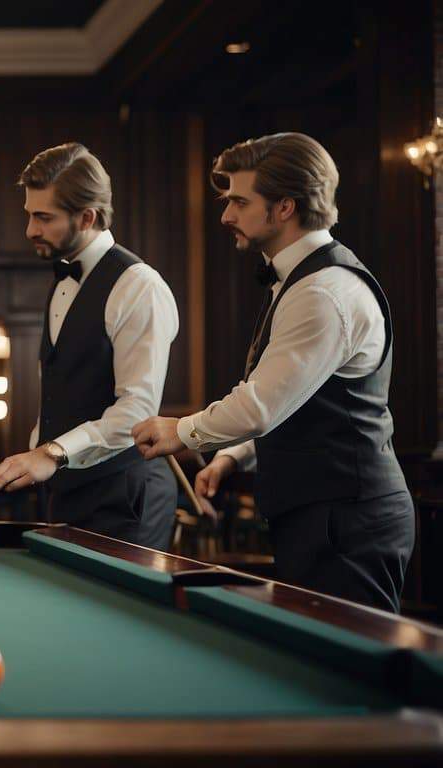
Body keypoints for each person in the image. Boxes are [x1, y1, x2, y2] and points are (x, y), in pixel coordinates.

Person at [132, 133, 414, 612]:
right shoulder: (301, 280)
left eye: (240, 201)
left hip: (347, 521)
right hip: (323, 516)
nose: (226, 216)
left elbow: (261, 406)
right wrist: (235, 458)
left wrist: (181, 431)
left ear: (285, 207)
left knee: (341, 678)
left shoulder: (323, 293)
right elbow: (297, 403)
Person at [0, 143, 179, 549]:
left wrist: (52, 453)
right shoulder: (63, 279)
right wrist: (37, 451)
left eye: (43, 217)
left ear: (87, 217)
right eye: (29, 215)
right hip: (67, 496)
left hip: (125, 499)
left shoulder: (139, 287)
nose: (30, 230)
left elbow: (137, 412)